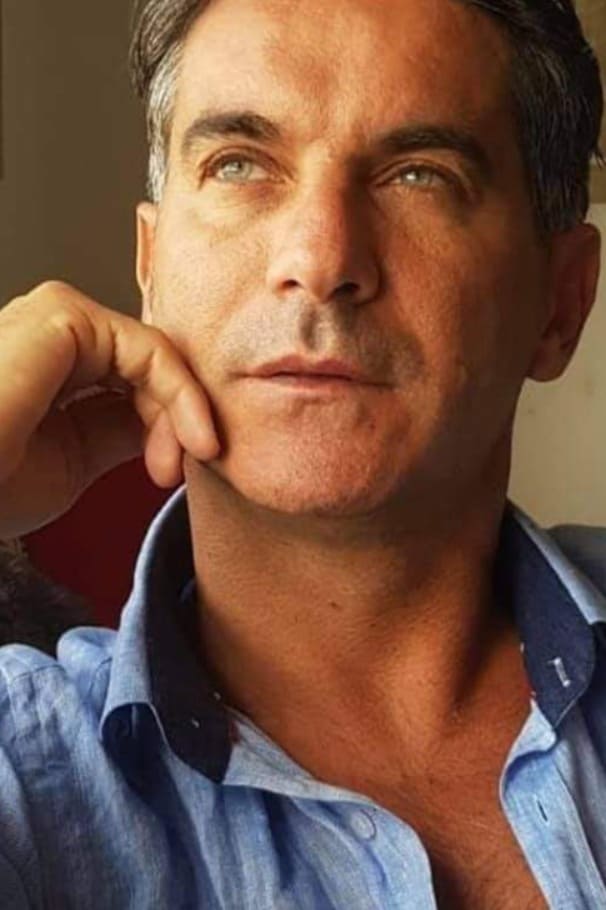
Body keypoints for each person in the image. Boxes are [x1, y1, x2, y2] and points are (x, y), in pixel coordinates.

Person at [0, 0, 604, 906]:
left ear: (560, 303)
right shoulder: (25, 766)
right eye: (239, 164)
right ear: (151, 269)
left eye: (419, 175)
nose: (319, 258)